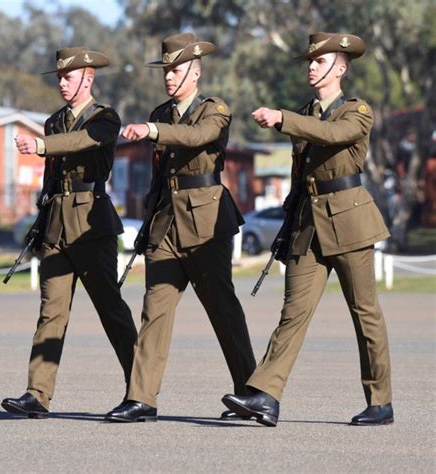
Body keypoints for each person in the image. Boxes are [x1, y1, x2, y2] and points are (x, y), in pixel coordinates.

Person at [222, 32, 393, 427]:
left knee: (365, 312)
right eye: (310, 62)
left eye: (319, 61)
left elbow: (333, 135)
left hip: (349, 220)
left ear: (341, 67)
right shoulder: (305, 113)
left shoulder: (357, 110)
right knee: (292, 313)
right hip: (308, 224)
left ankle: (380, 401)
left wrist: (283, 119)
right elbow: (301, 177)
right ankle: (266, 395)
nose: (312, 67)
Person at [105, 33, 256, 423]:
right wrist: (147, 222)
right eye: (165, 71)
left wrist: (154, 132)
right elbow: (160, 177)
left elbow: (197, 137)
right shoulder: (161, 113)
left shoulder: (214, 110)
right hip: (166, 223)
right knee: (154, 309)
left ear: (196, 71)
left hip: (206, 220)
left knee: (222, 309)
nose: (169, 77)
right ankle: (141, 397)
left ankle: (251, 393)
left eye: (175, 70)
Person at [1, 47, 137, 418]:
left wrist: (43, 147)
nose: (62, 82)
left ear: (88, 78)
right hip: (57, 226)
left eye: (69, 76)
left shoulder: (105, 118)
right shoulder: (53, 120)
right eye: (60, 77)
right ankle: (37, 394)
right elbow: (50, 181)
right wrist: (40, 223)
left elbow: (85, 141)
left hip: (92, 225)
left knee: (110, 309)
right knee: (51, 311)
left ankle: (140, 389)